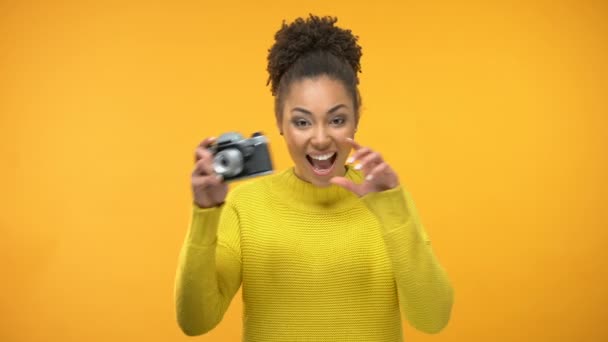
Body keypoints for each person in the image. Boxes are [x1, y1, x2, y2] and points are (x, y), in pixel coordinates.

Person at [174, 14, 454, 341]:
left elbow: (433, 318)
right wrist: (205, 215)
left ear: (356, 117)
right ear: (279, 121)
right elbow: (195, 321)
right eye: (303, 122)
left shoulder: (387, 201)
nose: (320, 139)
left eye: (336, 120)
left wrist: (392, 208)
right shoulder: (245, 206)